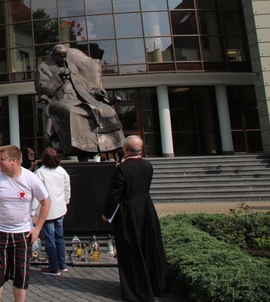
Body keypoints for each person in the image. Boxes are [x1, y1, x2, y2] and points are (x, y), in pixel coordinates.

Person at [0, 145, 51, 302]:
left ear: (14, 161)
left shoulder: (30, 178)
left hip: (23, 233)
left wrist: (37, 228)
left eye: (2, 159)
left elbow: (45, 203)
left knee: (21, 273)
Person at [102, 136, 169, 302]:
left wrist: (107, 213)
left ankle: (136, 289)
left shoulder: (123, 169)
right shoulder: (148, 165)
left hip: (129, 212)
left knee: (131, 249)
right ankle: (154, 284)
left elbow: (114, 194)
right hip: (146, 209)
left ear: (125, 149)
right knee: (147, 247)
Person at [35, 44, 124, 159]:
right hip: (58, 101)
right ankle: (78, 148)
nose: (63, 59)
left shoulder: (71, 66)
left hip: (78, 98)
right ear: (53, 56)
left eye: (64, 56)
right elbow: (45, 90)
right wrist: (58, 77)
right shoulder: (44, 68)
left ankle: (112, 145)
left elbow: (81, 85)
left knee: (106, 109)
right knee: (71, 112)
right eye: (59, 57)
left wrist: (95, 92)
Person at [34, 148, 71, 276]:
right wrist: (66, 202)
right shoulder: (62, 171)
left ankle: (54, 267)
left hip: (47, 210)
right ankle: (62, 264)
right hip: (60, 208)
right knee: (59, 237)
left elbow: (35, 193)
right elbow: (67, 188)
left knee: (50, 239)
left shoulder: (40, 173)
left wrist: (32, 210)